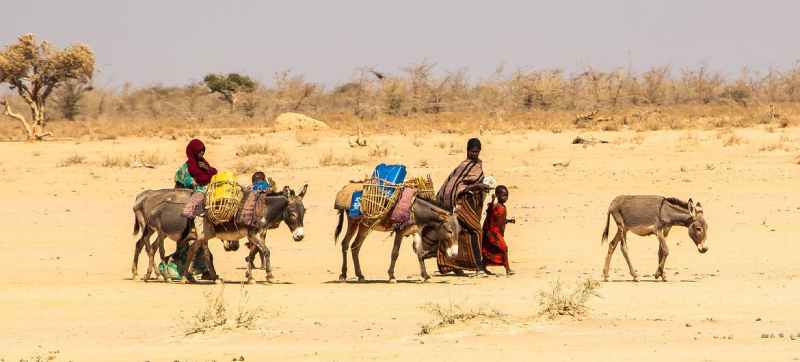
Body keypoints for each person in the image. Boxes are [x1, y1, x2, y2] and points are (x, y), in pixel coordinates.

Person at [436, 138, 492, 274]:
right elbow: (455, 186)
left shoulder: (477, 165)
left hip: (470, 204)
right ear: (467, 151)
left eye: (477, 152)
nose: (474, 154)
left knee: (463, 233)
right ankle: (478, 267)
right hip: (459, 204)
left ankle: (457, 265)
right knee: (476, 231)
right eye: (472, 152)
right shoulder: (463, 166)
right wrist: (477, 186)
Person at [481, 185, 515, 275]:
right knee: (504, 248)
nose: (505, 198)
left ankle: (483, 266)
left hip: (498, 233)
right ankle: (507, 269)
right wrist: (492, 201)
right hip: (493, 233)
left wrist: (508, 221)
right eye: (503, 195)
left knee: (490, 250)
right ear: (497, 195)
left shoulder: (503, 207)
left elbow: (500, 220)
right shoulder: (495, 206)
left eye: (507, 196)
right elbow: (490, 213)